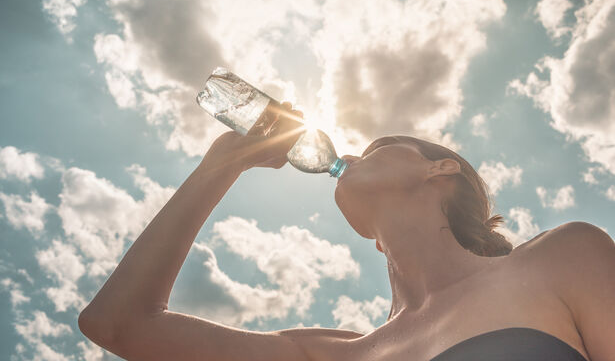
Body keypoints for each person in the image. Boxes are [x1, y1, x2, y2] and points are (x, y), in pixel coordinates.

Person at [78, 103, 614, 360]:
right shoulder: (327, 354)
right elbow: (118, 323)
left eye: (380, 148)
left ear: (440, 169)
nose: (354, 154)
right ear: (372, 239)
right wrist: (221, 166)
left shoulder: (562, 258)